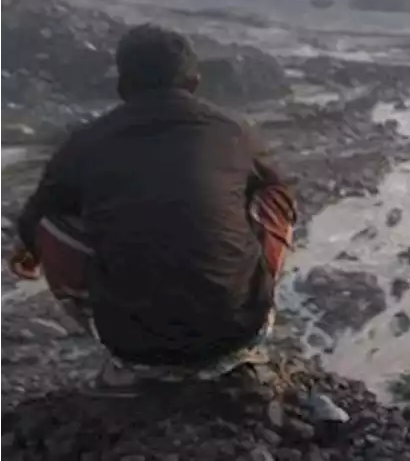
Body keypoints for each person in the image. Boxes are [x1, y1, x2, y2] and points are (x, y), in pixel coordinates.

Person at [7, 24, 297, 393]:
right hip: (237, 335)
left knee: (51, 222)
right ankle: (252, 310)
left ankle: (122, 352)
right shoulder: (233, 130)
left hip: (132, 347)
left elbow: (36, 217)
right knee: (273, 197)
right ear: (193, 81)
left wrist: (32, 250)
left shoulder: (86, 142)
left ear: (122, 85)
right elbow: (281, 193)